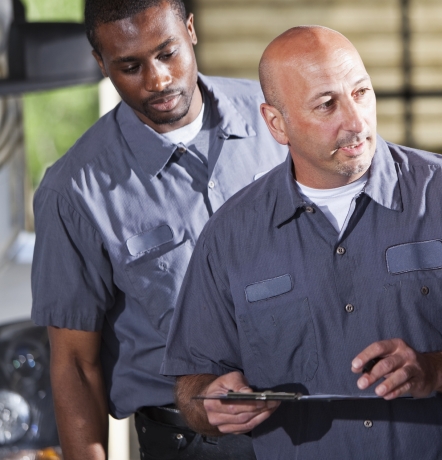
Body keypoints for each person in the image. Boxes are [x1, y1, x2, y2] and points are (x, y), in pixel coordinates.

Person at [160, 25, 442, 459]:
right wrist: (213, 403)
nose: (355, 121)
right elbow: (193, 388)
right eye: (326, 105)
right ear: (277, 123)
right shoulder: (230, 236)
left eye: (361, 92)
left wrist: (438, 369)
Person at [30, 0, 287, 458]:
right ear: (101, 63)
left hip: (322, 428)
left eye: (167, 53)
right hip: (191, 446)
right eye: (130, 66)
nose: (158, 79)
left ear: (190, 30)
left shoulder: (277, 116)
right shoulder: (74, 192)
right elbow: (74, 365)